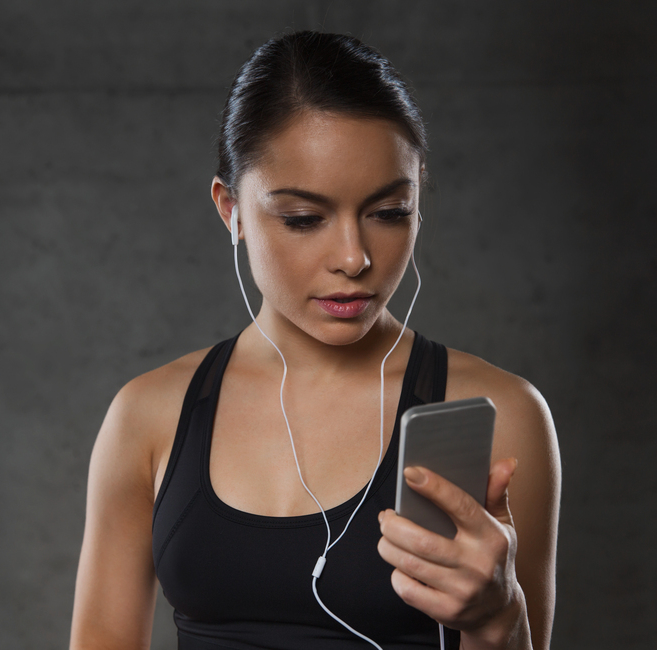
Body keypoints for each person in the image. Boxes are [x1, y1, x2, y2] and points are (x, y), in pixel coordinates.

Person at [69, 31, 560, 650]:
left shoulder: (497, 414)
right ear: (232, 211)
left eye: (389, 212)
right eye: (303, 219)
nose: (354, 258)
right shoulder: (149, 416)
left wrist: (498, 623)